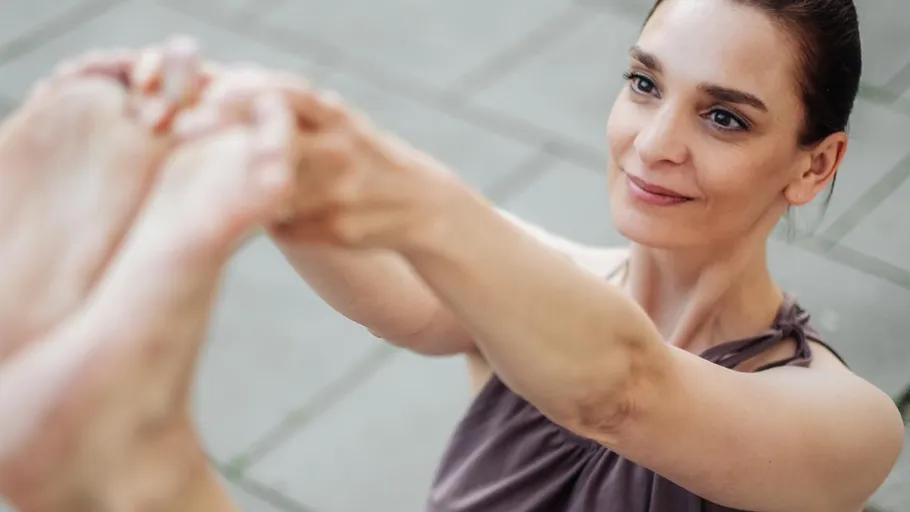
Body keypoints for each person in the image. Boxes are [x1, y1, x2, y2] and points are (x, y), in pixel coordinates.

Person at [0, 1, 904, 512]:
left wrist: (407, 189)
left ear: (815, 164)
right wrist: (266, 152)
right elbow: (392, 295)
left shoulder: (847, 424)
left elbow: (627, 392)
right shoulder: (538, 291)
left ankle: (136, 464)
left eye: (723, 116)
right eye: (643, 83)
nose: (653, 142)